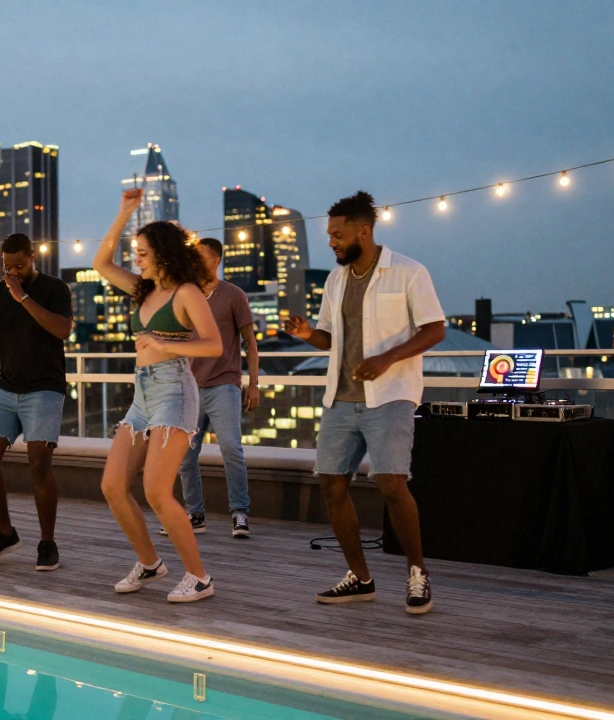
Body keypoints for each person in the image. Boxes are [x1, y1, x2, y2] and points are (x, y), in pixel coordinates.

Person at [283, 190, 446, 615]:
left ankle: (417, 573)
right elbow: (329, 338)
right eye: (330, 235)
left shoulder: (408, 272)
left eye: (338, 234)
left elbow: (435, 330)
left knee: (391, 483)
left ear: (364, 231)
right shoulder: (336, 280)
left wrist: (388, 358)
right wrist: (306, 335)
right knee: (331, 484)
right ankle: (361, 578)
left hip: (391, 395)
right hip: (340, 396)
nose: (332, 242)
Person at [92, 189, 222, 603]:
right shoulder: (142, 290)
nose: (138, 260)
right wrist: (123, 212)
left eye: (144, 253)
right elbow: (100, 264)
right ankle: (150, 563)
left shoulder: (187, 294)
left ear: (164, 254)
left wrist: (167, 346)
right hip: (143, 393)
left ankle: (199, 577)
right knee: (113, 485)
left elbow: (213, 346)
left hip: (174, 392)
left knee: (156, 491)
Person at [0, 233, 73, 571]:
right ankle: (5, 533)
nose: (12, 272)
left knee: (39, 464)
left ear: (32, 257)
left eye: (19, 265)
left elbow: (62, 330)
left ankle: (47, 543)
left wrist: (23, 297)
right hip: (6, 388)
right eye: (6, 266)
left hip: (45, 387)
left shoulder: (55, 289)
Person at [163, 237, 260, 538]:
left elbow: (250, 343)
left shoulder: (234, 295)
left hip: (224, 385)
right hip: (189, 388)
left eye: (200, 257)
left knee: (231, 448)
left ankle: (240, 513)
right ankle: (194, 515)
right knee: (185, 456)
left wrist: (253, 384)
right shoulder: (185, 296)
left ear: (216, 260)